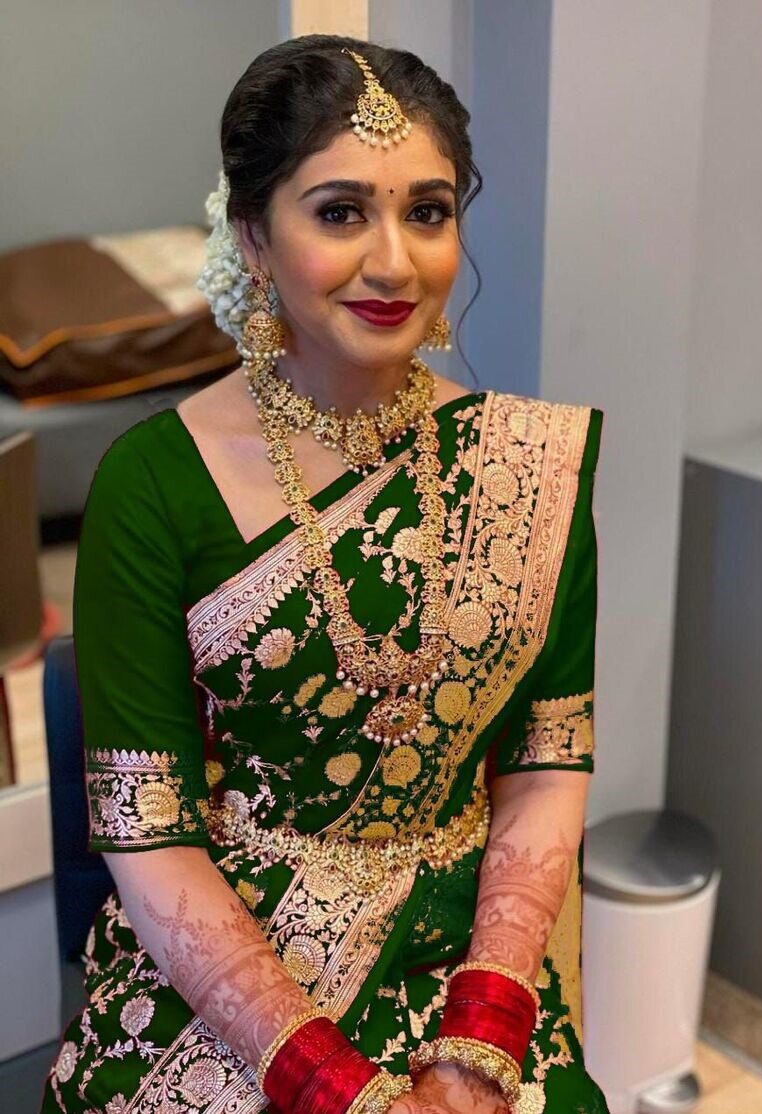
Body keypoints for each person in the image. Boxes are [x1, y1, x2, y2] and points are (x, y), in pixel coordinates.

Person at [40, 34, 608, 1114]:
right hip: (236, 964)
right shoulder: (154, 483)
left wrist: (484, 1032)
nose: (394, 262)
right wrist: (336, 1087)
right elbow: (149, 831)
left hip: (463, 953)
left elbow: (545, 764)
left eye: (428, 212)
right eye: (341, 212)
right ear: (254, 236)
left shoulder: (529, 469)